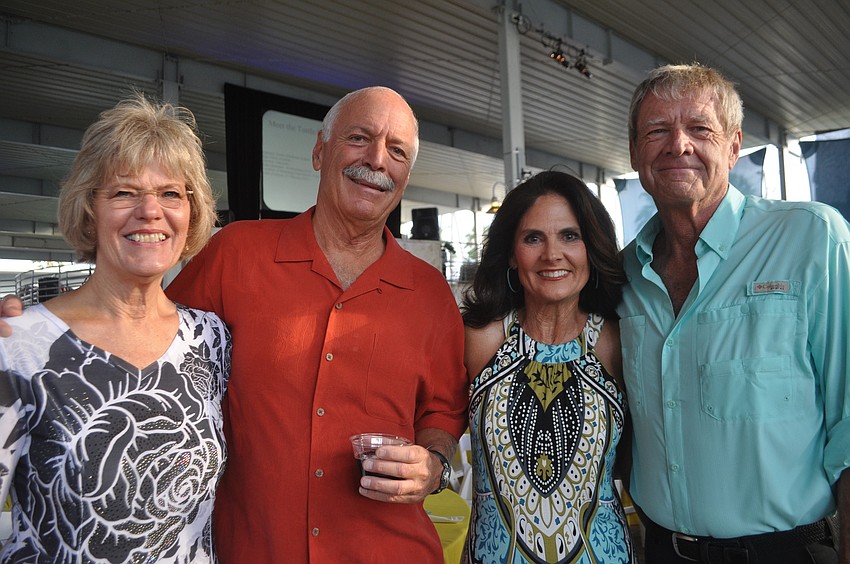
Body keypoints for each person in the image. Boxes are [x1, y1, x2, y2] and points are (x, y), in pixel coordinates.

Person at [164, 86, 468, 562]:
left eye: (397, 151)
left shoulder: (430, 294)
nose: (376, 160)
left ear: (407, 174)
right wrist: (42, 329)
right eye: (359, 138)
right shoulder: (236, 254)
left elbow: (443, 413)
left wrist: (433, 467)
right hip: (255, 549)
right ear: (319, 151)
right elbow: (145, 338)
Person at [620, 63, 849, 563]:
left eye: (699, 128)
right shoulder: (623, 277)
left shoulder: (810, 239)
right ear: (636, 153)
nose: (677, 144)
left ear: (734, 146)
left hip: (785, 552)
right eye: (656, 130)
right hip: (660, 550)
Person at [0, 95, 231, 563]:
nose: (150, 211)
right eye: (124, 192)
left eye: (171, 193)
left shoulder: (211, 340)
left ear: (191, 213)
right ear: (90, 209)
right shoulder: (19, 344)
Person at [461, 170, 633, 563]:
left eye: (570, 236)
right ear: (510, 252)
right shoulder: (480, 339)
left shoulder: (617, 341)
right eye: (533, 237)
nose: (552, 254)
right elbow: (432, 422)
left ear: (592, 247)